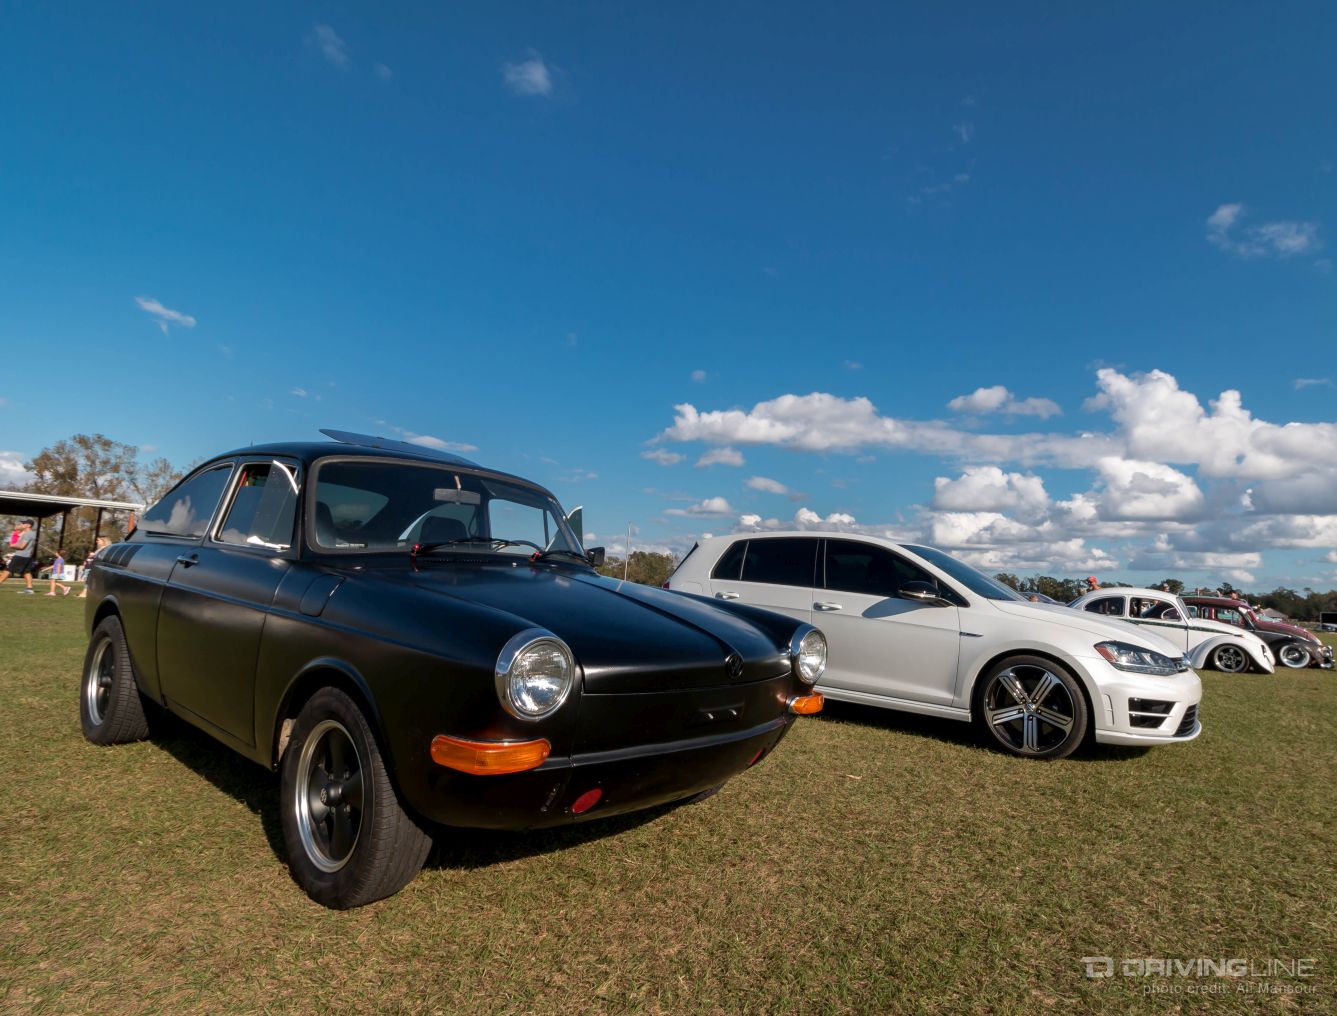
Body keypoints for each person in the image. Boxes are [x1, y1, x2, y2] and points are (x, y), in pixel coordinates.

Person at [0, 519, 38, 594]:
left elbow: (22, 546)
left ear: (29, 525)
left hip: (21, 556)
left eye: (24, 523)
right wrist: (17, 530)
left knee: (7, 570)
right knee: (26, 572)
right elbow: (18, 533)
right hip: (27, 556)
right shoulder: (31, 533)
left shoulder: (28, 534)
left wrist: (13, 546)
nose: (22, 524)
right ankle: (29, 589)